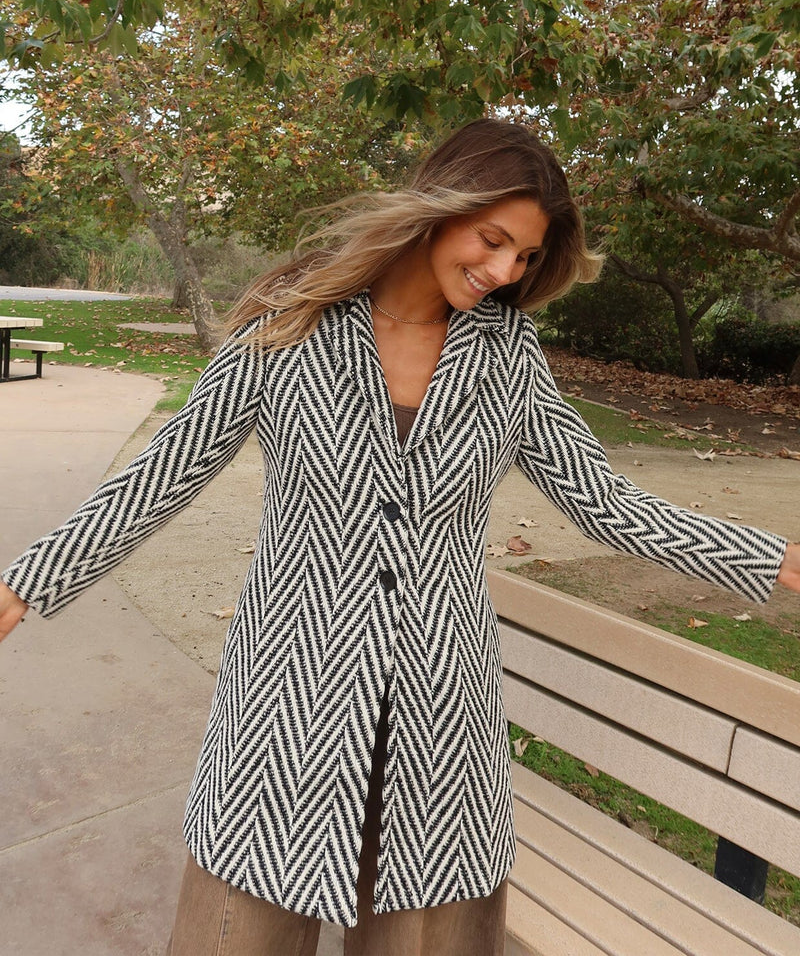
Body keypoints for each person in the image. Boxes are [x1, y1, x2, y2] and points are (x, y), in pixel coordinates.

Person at [1, 118, 798, 956]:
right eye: (493, 240)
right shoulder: (291, 321)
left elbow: (602, 498)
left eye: (524, 258)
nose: (502, 273)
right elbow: (165, 474)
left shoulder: (508, 353)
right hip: (287, 714)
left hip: (439, 731)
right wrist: (25, 582)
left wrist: (771, 556)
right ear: (439, 207)